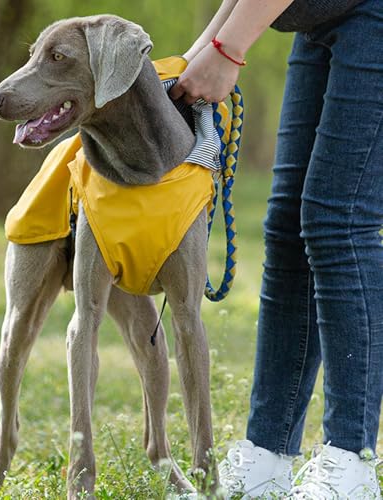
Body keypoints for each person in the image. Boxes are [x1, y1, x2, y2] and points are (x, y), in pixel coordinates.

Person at [171, 0, 383, 498]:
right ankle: (267, 454)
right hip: (318, 17)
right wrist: (199, 52)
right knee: (288, 225)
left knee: (339, 221)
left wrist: (230, 49)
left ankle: (352, 460)